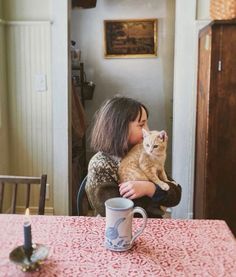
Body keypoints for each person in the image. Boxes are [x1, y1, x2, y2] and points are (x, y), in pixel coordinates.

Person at [85, 96, 181, 217]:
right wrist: (154, 195)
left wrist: (150, 188)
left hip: (151, 225)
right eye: (141, 125)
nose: (147, 130)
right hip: (119, 229)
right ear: (120, 128)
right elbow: (109, 210)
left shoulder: (146, 152)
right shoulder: (101, 164)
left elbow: (176, 195)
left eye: (147, 123)